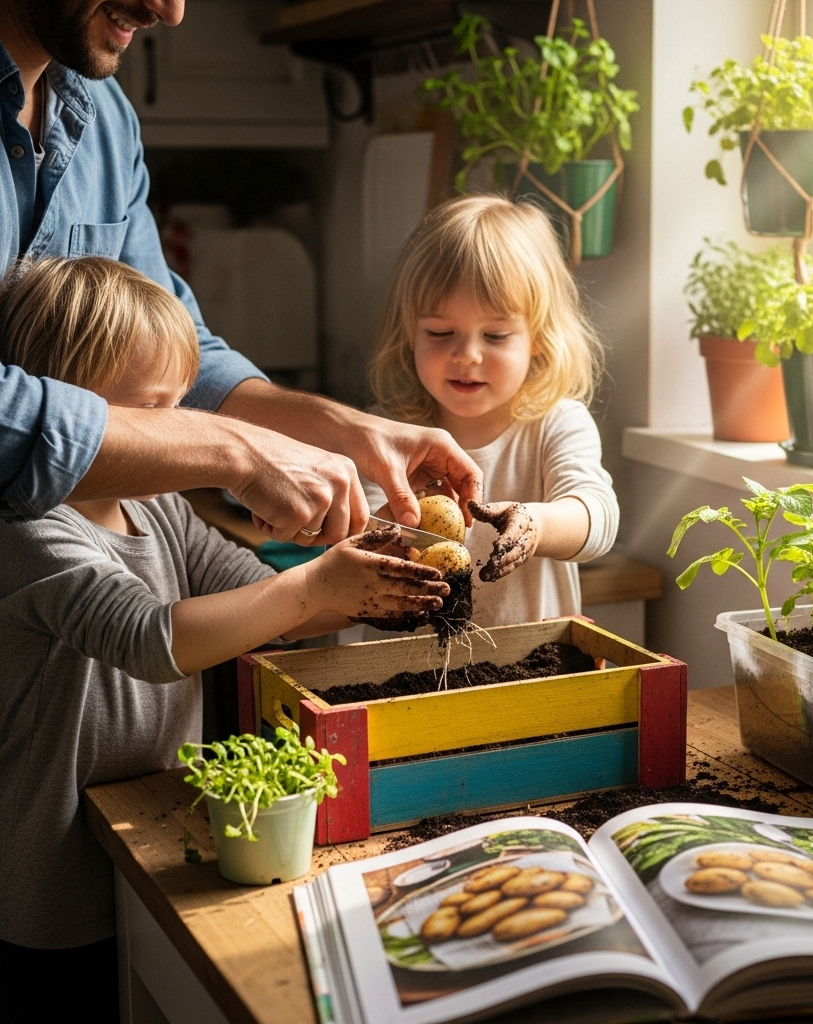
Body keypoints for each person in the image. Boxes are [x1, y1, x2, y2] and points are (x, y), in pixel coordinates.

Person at [0, 256, 451, 1022]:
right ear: (73, 417)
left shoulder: (159, 505)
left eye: (184, 408)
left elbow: (253, 598)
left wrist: (369, 587)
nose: (183, 437)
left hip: (153, 831)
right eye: (153, 413)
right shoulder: (27, 525)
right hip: (49, 878)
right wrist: (313, 585)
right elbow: (145, 636)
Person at [0, 0, 482, 540]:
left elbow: (183, 359)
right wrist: (236, 451)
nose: (170, 10)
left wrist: (352, 433)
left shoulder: (105, 120)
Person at [365, 194, 620, 627]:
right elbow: (364, 537)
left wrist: (535, 524)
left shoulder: (556, 425)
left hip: (532, 674)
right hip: (410, 680)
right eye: (440, 332)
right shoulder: (390, 435)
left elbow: (596, 517)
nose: (466, 355)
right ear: (411, 333)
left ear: (538, 337)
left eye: (496, 335)